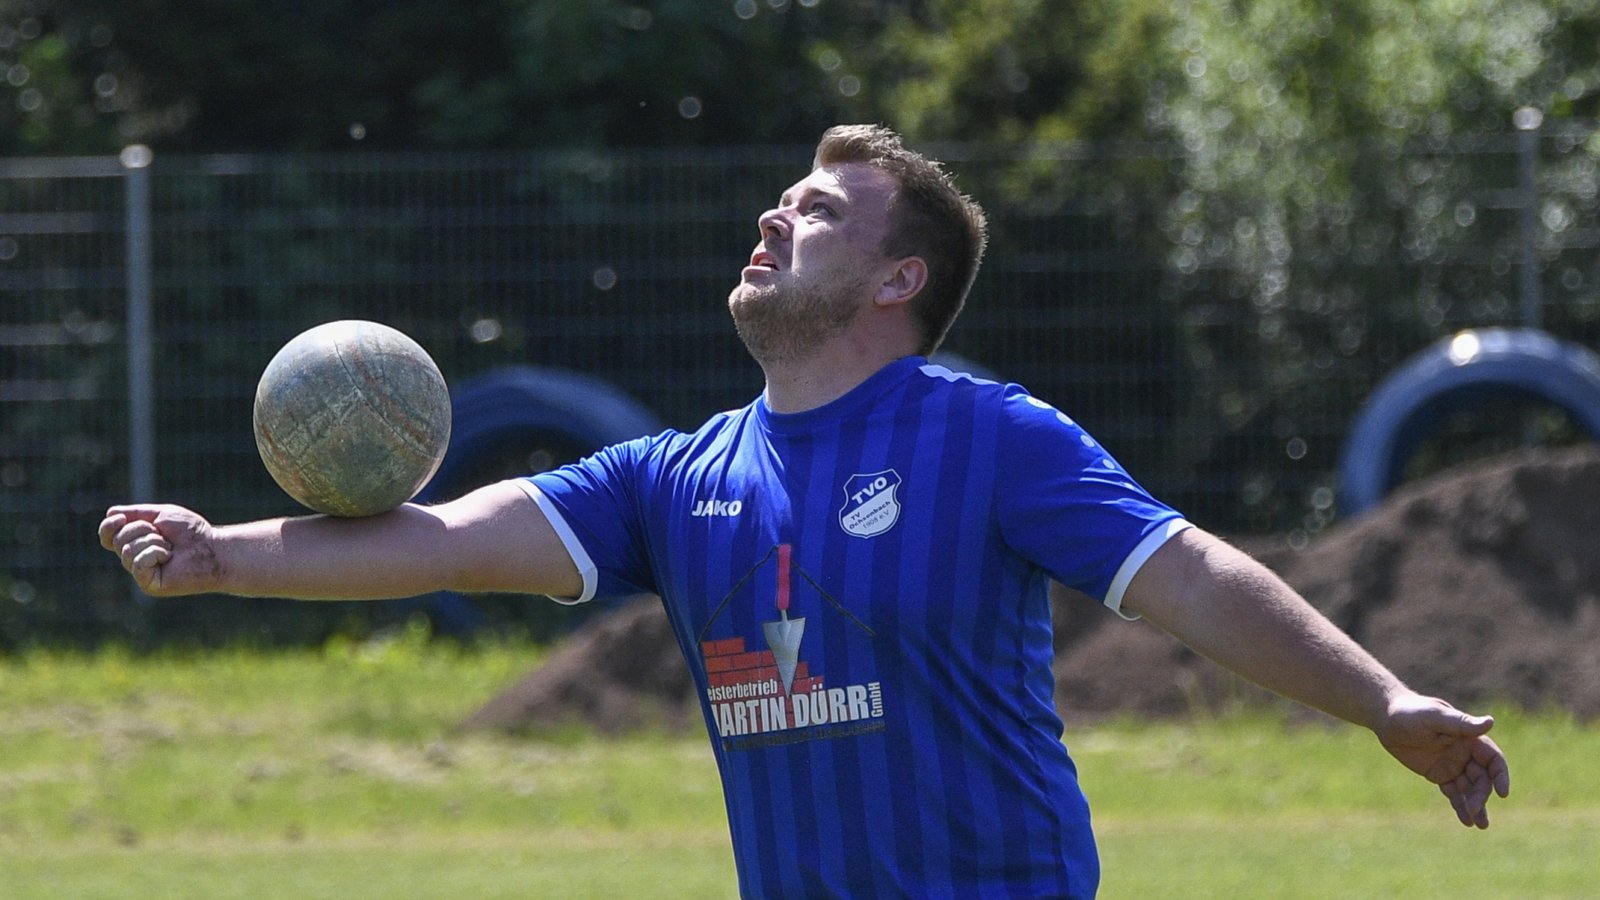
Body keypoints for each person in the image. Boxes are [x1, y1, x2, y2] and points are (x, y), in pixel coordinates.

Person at [100, 124, 1509, 898]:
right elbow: (449, 538)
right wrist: (227, 558)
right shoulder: (673, 476)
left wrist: (1384, 704)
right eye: (782, 200)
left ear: (899, 283)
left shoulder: (989, 434)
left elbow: (1191, 576)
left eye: (821, 211)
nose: (776, 218)